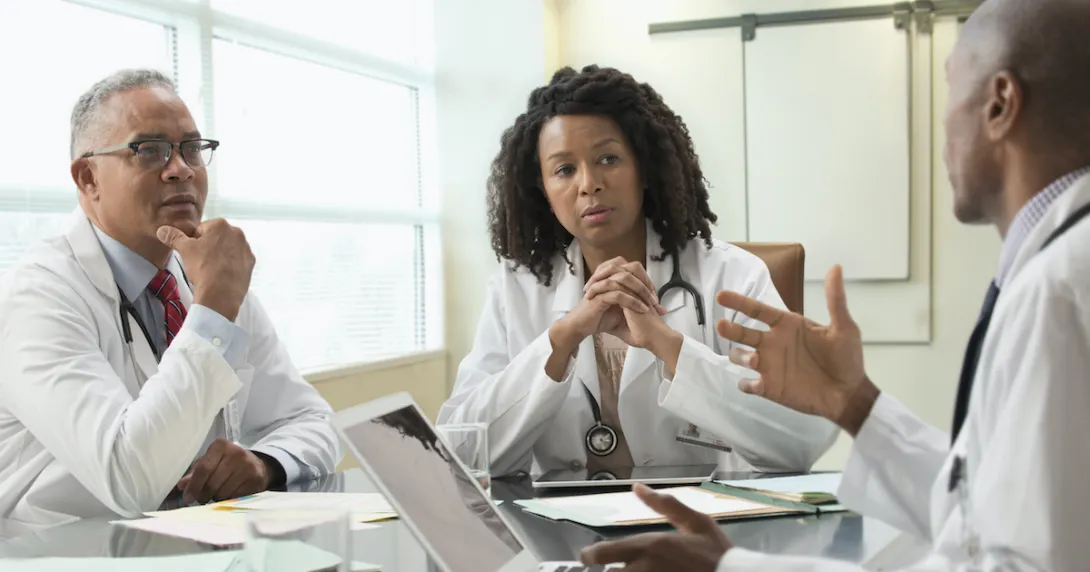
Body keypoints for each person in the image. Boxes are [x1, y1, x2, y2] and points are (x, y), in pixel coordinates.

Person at [581, 0, 1090, 569]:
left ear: (999, 104)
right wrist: (856, 405)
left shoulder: (1061, 289)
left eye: (950, 91)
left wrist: (731, 568)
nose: (944, 124)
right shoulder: (1057, 268)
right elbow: (981, 513)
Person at [438, 65, 837, 478]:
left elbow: (802, 438)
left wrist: (669, 346)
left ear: (645, 167)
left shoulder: (731, 275)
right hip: (556, 535)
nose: (589, 184)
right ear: (541, 188)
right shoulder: (517, 288)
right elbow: (460, 452)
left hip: (696, 527)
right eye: (564, 169)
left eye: (608, 159)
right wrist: (559, 342)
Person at [0, 69, 341, 524]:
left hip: (188, 544)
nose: (181, 168)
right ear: (88, 178)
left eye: (192, 149)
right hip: (63, 553)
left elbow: (312, 421)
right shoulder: (38, 298)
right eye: (151, 150)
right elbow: (129, 478)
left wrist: (265, 463)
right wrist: (214, 308)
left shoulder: (206, 277)